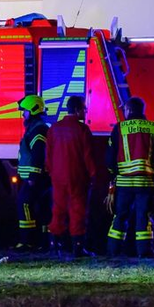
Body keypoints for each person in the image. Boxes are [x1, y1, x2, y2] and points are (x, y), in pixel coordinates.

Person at [106, 96, 154, 259]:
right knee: (143, 217)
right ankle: (144, 252)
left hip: (123, 183)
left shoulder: (119, 128)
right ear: (142, 110)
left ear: (128, 110)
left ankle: (113, 251)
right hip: (145, 183)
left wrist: (113, 174)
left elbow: (109, 157)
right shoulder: (153, 128)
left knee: (120, 216)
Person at [47, 95, 97, 258]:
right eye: (83, 108)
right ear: (76, 110)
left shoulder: (54, 128)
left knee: (58, 210)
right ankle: (78, 248)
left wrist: (52, 172)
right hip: (77, 177)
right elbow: (88, 156)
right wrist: (93, 174)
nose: (85, 111)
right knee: (78, 211)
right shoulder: (82, 129)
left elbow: (48, 155)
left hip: (58, 177)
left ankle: (55, 246)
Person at [14, 95, 51, 251]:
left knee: (24, 203)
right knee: (42, 207)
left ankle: (27, 241)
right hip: (36, 177)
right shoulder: (35, 128)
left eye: (25, 111)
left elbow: (38, 155)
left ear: (33, 111)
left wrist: (33, 177)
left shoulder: (38, 130)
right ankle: (42, 241)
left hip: (36, 178)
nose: (23, 114)